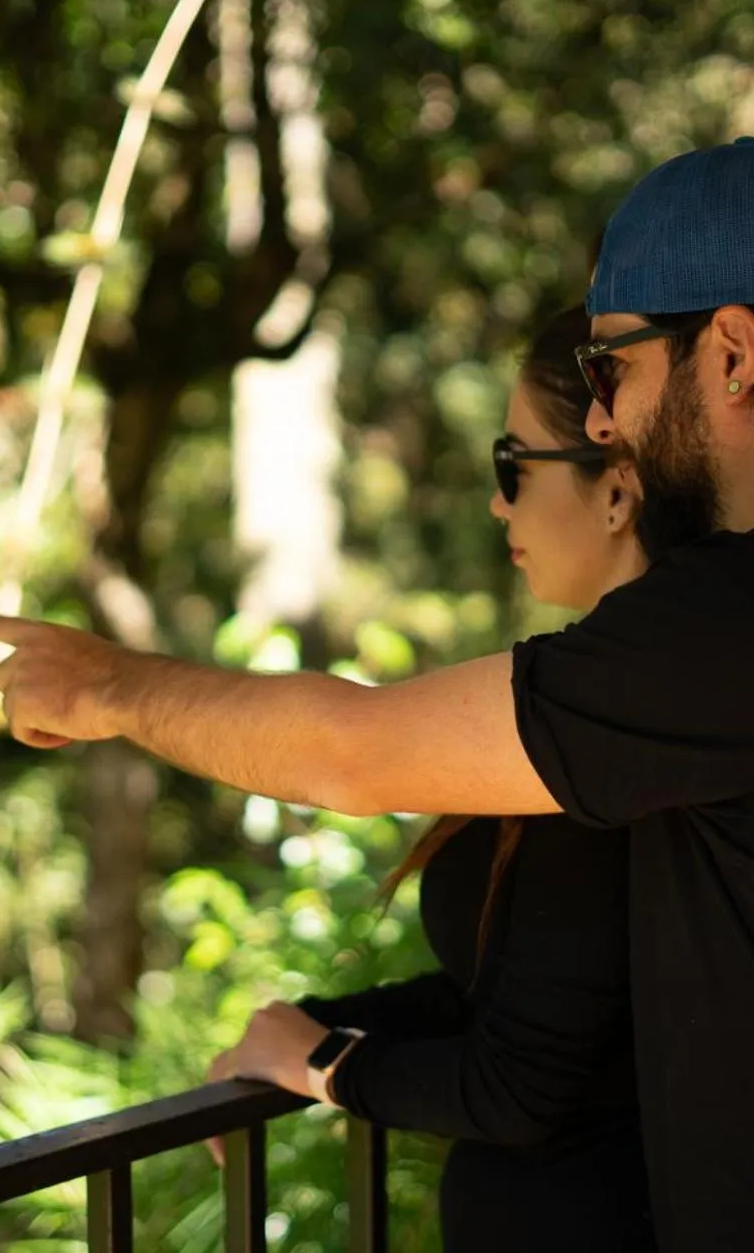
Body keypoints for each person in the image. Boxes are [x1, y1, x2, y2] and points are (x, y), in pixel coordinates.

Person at [0, 138, 754, 1250]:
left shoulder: (751, 620)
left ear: (733, 352)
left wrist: (115, 686)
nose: (607, 416)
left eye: (612, 365)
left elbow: (351, 752)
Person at [208, 308, 655, 1251]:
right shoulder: (625, 709)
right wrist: (314, 1029)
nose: (497, 503)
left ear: (617, 490)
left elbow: (522, 1089)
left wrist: (326, 1064)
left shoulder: (613, 740)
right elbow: (512, 998)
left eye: (513, 465)